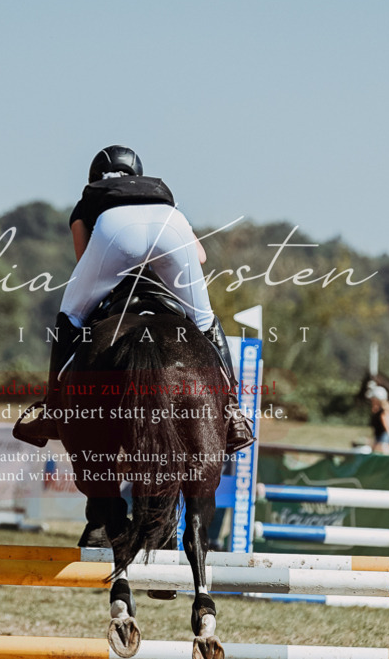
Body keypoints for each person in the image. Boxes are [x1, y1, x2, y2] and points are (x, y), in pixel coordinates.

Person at [13, 144, 254, 452]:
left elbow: (83, 257)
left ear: (94, 177)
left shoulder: (89, 199)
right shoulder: (161, 193)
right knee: (205, 320)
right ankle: (232, 411)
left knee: (69, 317)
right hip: (170, 229)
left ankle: (52, 409)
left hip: (116, 233)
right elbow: (202, 256)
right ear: (137, 174)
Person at [365, 383, 389, 454]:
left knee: (383, 460)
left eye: (372, 399)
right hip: (379, 440)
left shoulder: (383, 413)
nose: (371, 400)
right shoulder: (377, 412)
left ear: (377, 400)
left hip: (383, 441)